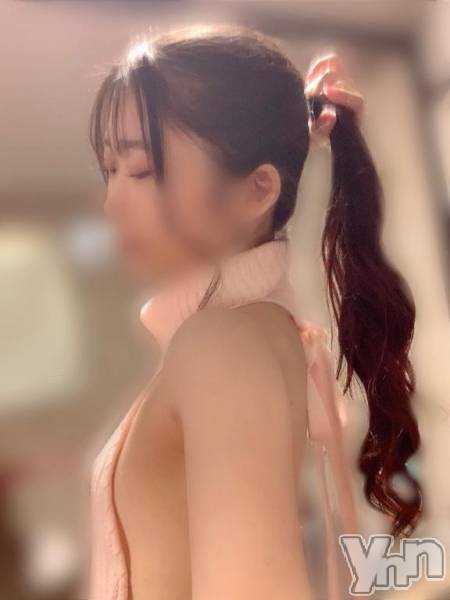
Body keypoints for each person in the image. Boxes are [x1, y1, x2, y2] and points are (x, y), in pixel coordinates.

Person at [86, 24, 423, 600]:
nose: (112, 200)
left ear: (257, 191)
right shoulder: (230, 334)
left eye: (140, 170)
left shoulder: (225, 344)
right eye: (109, 170)